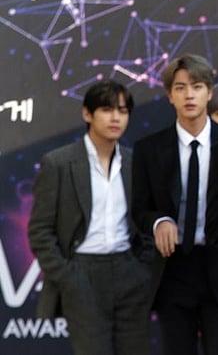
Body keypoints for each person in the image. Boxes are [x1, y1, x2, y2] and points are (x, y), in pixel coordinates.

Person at [28, 80, 152, 355]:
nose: (116, 117)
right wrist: (68, 276)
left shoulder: (136, 162)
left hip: (129, 271)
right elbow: (40, 230)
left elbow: (146, 222)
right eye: (107, 109)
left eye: (123, 111)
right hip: (83, 272)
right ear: (87, 114)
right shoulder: (58, 163)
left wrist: (142, 269)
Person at [132, 53, 218, 355]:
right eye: (180, 87)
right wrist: (158, 221)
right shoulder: (149, 149)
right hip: (173, 268)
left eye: (197, 86)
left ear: (209, 93)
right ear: (169, 95)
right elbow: (139, 208)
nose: (189, 95)